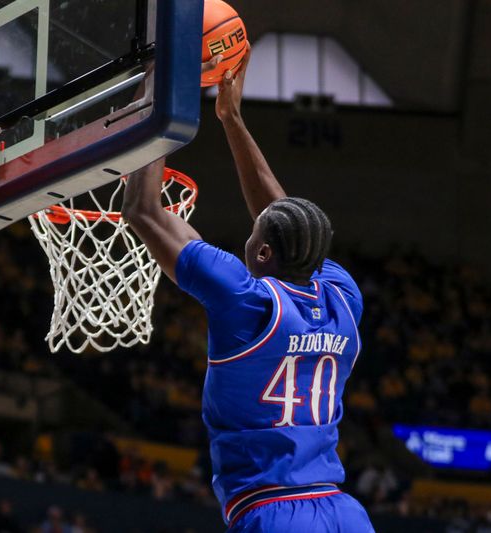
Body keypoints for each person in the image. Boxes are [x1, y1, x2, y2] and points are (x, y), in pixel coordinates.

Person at [121, 49, 374, 532]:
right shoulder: (344, 296)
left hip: (274, 510)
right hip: (344, 511)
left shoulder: (248, 302)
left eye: (256, 235)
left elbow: (144, 212)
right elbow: (287, 221)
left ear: (261, 254)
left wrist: (160, 87)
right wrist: (231, 118)